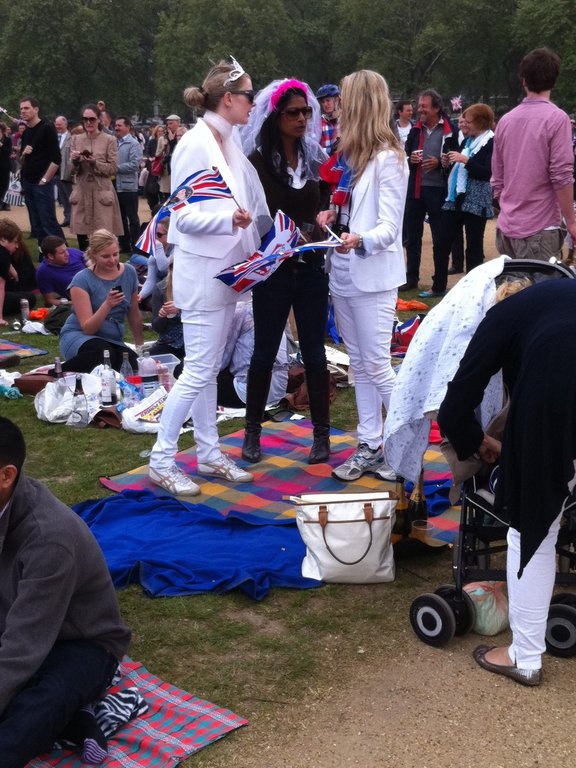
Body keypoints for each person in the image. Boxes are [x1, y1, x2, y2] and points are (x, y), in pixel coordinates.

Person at [437, 279, 576, 686]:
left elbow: (454, 407)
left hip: (556, 399)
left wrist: (477, 442)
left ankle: (525, 655)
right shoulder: (560, 295)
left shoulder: (501, 316)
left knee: (533, 530)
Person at [147, 57, 271, 496]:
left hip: (225, 272)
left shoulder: (227, 141)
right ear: (229, 99)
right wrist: (228, 221)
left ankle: (208, 451)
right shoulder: (196, 144)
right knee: (199, 369)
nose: (254, 103)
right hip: (202, 272)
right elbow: (180, 215)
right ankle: (162, 459)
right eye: (250, 95)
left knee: (207, 367)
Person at [0, 417, 132, 766]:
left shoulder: (49, 539)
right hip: (15, 619)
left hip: (79, 641)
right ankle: (75, 720)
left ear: (6, 476)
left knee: (44, 700)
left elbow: (22, 648)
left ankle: (65, 713)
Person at [317, 69, 408, 482]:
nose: (337, 109)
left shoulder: (389, 158)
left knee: (377, 364)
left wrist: (359, 239)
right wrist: (332, 216)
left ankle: (408, 446)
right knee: (359, 364)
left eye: (345, 101)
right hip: (342, 270)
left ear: (360, 106)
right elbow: (352, 208)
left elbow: (390, 228)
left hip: (370, 272)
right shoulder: (352, 156)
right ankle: (370, 444)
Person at [240, 78, 330, 464]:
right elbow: (252, 216)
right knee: (263, 353)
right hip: (274, 268)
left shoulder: (315, 157)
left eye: (306, 111)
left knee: (315, 354)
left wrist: (320, 223)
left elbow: (326, 204)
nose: (301, 118)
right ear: (275, 116)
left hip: (310, 266)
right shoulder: (256, 161)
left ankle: (322, 435)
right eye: (293, 112)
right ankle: (252, 432)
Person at [492, 47, 576, 259]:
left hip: (507, 228)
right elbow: (561, 175)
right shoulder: (557, 119)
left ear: (524, 81)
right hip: (540, 227)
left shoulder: (505, 121)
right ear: (554, 80)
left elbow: (497, 178)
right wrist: (572, 221)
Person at [426, 103, 495, 295]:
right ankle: (438, 286)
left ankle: (472, 292)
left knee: (474, 248)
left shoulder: (491, 142)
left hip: (476, 201)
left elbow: (487, 173)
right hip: (456, 197)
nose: (465, 124)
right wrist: (448, 163)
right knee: (441, 242)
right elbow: (459, 170)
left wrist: (465, 160)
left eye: (469, 121)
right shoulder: (468, 141)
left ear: (481, 122)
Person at [60, 229, 143, 372]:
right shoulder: (82, 279)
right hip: (80, 335)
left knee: (134, 366)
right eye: (105, 256)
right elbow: (88, 328)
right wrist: (107, 305)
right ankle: (56, 372)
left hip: (112, 339)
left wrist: (140, 347)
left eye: (115, 254)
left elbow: (134, 314)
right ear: (93, 255)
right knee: (104, 355)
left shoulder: (129, 272)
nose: (112, 260)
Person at [402, 89, 458, 292]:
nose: (420, 110)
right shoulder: (415, 130)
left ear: (436, 108)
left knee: (440, 238)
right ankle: (411, 279)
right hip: (415, 190)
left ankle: (439, 283)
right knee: (412, 238)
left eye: (424, 106)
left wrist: (441, 163)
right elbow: (405, 155)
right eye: (419, 106)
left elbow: (458, 158)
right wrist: (411, 160)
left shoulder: (451, 130)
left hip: (439, 190)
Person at [70, 103, 123, 251]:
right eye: (85, 119)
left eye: (92, 119)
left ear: (99, 119)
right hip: (82, 191)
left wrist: (95, 163)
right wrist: (75, 161)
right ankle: (85, 263)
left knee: (103, 236)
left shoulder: (109, 140)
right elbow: (71, 170)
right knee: (82, 235)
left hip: (101, 191)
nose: (88, 122)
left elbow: (113, 169)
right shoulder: (76, 139)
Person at [19, 96, 65, 245]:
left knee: (48, 222)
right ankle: (44, 253)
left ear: (36, 109)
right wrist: (23, 154)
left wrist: (44, 180)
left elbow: (56, 159)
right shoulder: (26, 132)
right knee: (37, 224)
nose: (23, 111)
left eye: (26, 108)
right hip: (28, 182)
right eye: (21, 108)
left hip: (41, 183)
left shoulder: (47, 127)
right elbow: (22, 160)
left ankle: (63, 252)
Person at [114, 116, 143, 253]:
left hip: (129, 187)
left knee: (132, 218)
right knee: (120, 218)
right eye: (115, 125)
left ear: (128, 127)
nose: (116, 128)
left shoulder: (134, 144)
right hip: (116, 186)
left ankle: (136, 246)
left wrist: (115, 168)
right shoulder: (114, 142)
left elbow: (134, 165)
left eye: (119, 125)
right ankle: (124, 245)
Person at [0, 218, 36, 325]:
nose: (17, 246)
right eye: (15, 242)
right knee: (28, 299)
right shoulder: (3, 253)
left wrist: (10, 267)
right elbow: (0, 286)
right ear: (3, 239)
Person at [37, 235, 85, 306]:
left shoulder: (74, 252)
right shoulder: (44, 272)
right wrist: (73, 303)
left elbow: (92, 263)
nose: (67, 254)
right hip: (79, 297)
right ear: (50, 256)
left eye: (66, 250)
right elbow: (49, 300)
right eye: (62, 253)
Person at [54, 115, 72, 226]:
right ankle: (67, 217)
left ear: (66, 124)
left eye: (60, 124)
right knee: (63, 197)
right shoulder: (54, 137)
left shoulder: (72, 138)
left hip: (67, 172)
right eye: (56, 124)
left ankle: (73, 218)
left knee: (70, 196)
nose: (58, 126)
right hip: (57, 172)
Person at [316, 84, 340, 155]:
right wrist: (331, 150)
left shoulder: (346, 121)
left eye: (328, 100)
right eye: (323, 102)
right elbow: (314, 150)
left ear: (337, 100)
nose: (325, 104)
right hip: (327, 161)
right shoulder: (318, 124)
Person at [0, 122, 12, 211]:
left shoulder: (7, 139)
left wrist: (1, 145)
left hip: (5, 165)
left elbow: (8, 152)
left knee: (5, 184)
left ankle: (6, 203)